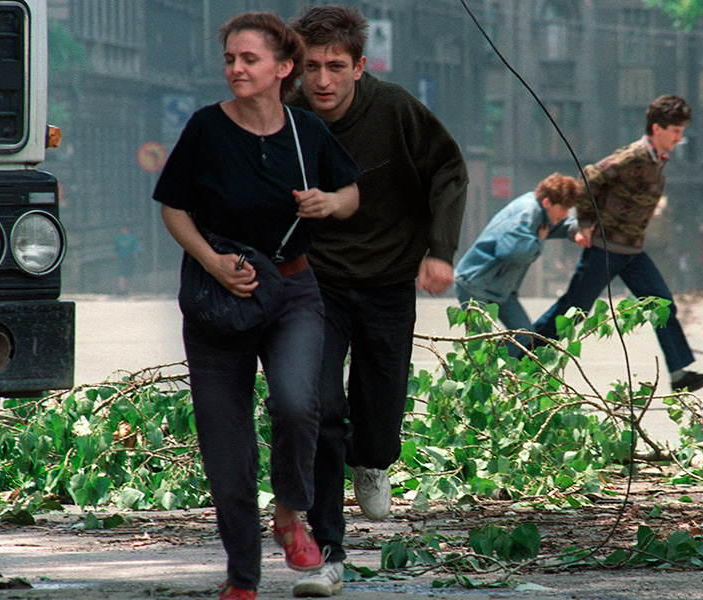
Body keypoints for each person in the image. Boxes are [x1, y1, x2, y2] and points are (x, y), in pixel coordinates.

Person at [152, 12, 360, 600]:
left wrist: (328, 203)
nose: (236, 69)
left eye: (249, 59)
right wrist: (214, 262)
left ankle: (292, 513)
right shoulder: (204, 130)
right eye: (230, 59)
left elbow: (351, 192)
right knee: (228, 450)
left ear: (282, 68)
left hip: (293, 290)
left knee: (300, 404)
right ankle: (243, 577)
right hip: (219, 298)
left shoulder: (305, 131)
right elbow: (173, 207)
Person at [288, 6, 468, 597]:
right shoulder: (284, 117)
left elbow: (448, 169)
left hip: (390, 279)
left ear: (359, 67)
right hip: (315, 282)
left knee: (380, 408)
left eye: (336, 66)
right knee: (317, 405)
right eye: (311, 66)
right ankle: (328, 554)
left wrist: (440, 251)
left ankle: (373, 458)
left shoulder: (393, 109)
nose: (323, 80)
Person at [530, 95, 703, 394]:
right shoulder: (634, 156)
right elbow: (588, 178)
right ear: (657, 128)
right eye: (676, 132)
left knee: (661, 303)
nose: (680, 138)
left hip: (631, 251)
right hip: (605, 248)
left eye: (682, 132)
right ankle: (520, 352)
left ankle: (680, 374)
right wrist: (586, 224)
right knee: (574, 308)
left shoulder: (657, 159)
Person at [454, 173, 579, 342]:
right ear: (547, 202)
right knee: (479, 346)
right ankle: (464, 368)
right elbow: (511, 252)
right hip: (476, 285)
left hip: (500, 289)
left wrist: (583, 228)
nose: (565, 214)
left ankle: (493, 365)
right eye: (563, 209)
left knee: (524, 337)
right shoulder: (526, 214)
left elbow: (562, 225)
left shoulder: (542, 212)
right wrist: (539, 241)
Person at [114, 226, 140, 294]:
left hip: (130, 258)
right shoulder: (119, 238)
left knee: (128, 274)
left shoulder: (132, 238)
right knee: (121, 273)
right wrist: (116, 255)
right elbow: (116, 248)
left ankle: (128, 289)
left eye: (125, 229)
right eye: (122, 229)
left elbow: (135, 247)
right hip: (121, 258)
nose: (124, 230)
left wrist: (135, 253)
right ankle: (121, 289)